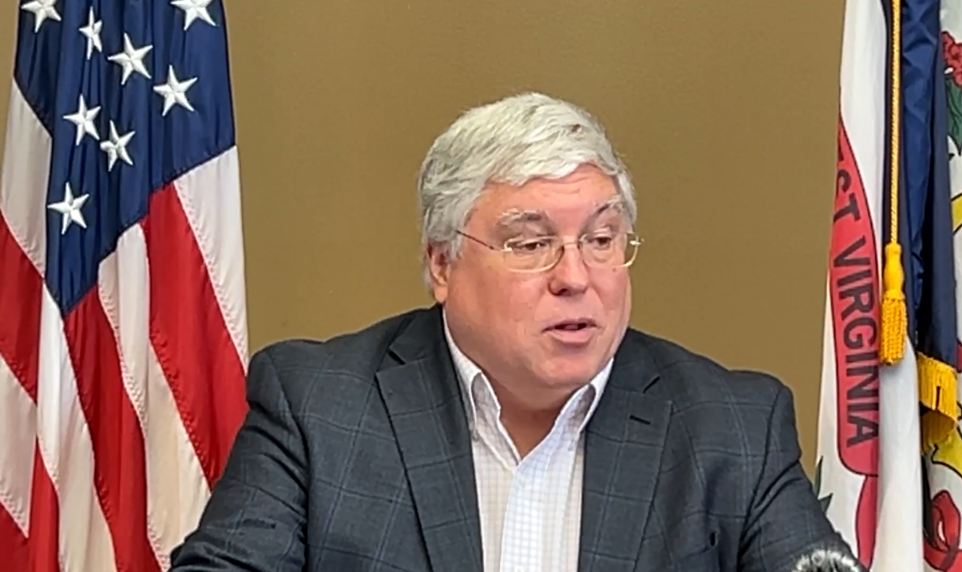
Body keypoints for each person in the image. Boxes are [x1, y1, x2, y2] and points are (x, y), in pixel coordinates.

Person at [169, 92, 863, 572]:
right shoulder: (318, 406)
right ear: (442, 263)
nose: (575, 276)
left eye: (601, 238)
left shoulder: (733, 426)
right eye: (531, 245)